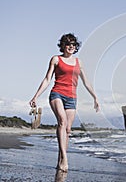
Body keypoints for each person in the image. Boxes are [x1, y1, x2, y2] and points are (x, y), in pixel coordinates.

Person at [29, 33, 100, 172]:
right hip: (57, 94)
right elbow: (47, 79)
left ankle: (60, 160)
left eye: (73, 44)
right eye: (68, 44)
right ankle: (65, 158)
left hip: (72, 97)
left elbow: (86, 82)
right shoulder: (56, 59)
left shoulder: (79, 62)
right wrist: (35, 96)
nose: (71, 47)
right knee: (62, 121)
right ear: (63, 46)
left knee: (67, 130)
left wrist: (95, 97)